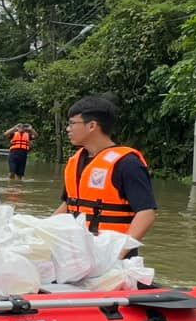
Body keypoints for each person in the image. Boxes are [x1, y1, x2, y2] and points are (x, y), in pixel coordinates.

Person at [55, 96, 157, 250]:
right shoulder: (75, 162)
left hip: (111, 254)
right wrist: (42, 230)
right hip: (78, 251)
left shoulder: (127, 163)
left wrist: (117, 254)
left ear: (92, 126)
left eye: (72, 123)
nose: (68, 129)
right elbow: (68, 205)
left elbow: (146, 213)